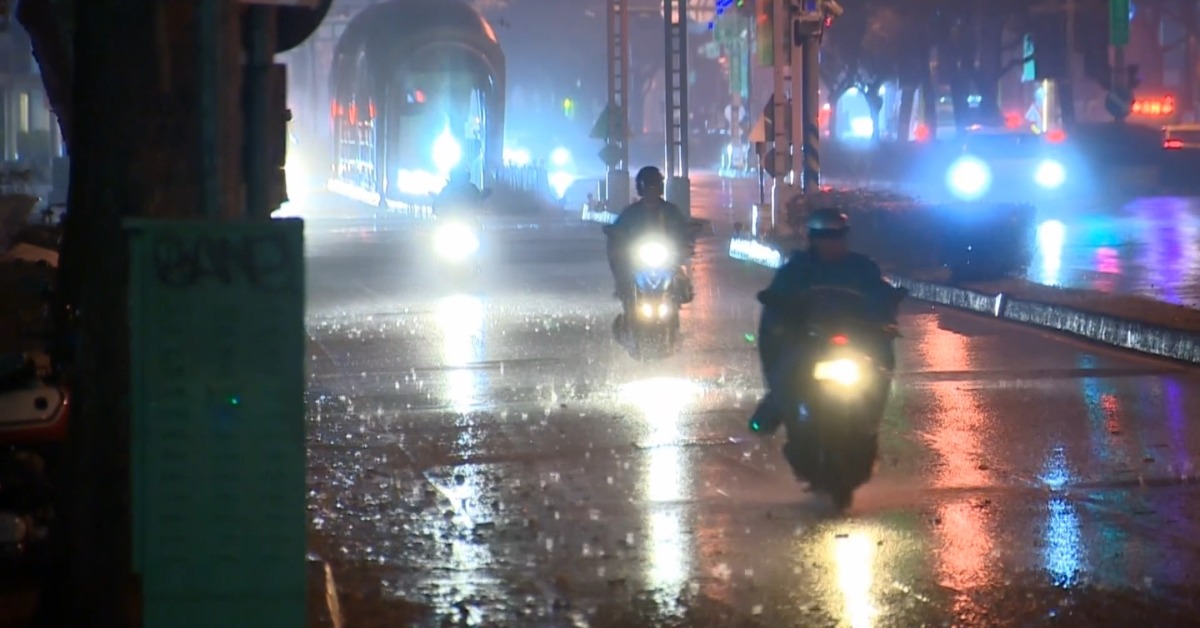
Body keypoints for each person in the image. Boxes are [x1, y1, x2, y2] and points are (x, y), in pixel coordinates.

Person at [748, 208, 900, 437]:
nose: (830, 243)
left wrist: (885, 315)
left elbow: (879, 297)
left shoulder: (862, 267)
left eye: (836, 236)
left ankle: (870, 419)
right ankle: (776, 408)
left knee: (880, 365)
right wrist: (781, 314)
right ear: (812, 238)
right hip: (808, 343)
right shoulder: (796, 269)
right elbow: (778, 302)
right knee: (786, 373)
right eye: (823, 237)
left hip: (855, 342)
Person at [605, 166, 693, 300]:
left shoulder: (671, 211)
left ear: (660, 188)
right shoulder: (631, 212)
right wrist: (616, 235)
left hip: (666, 256)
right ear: (641, 189)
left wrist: (686, 239)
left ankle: (681, 289)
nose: (651, 192)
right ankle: (622, 287)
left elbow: (683, 230)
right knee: (619, 261)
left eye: (654, 187)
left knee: (679, 276)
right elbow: (617, 230)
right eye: (648, 187)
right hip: (637, 256)